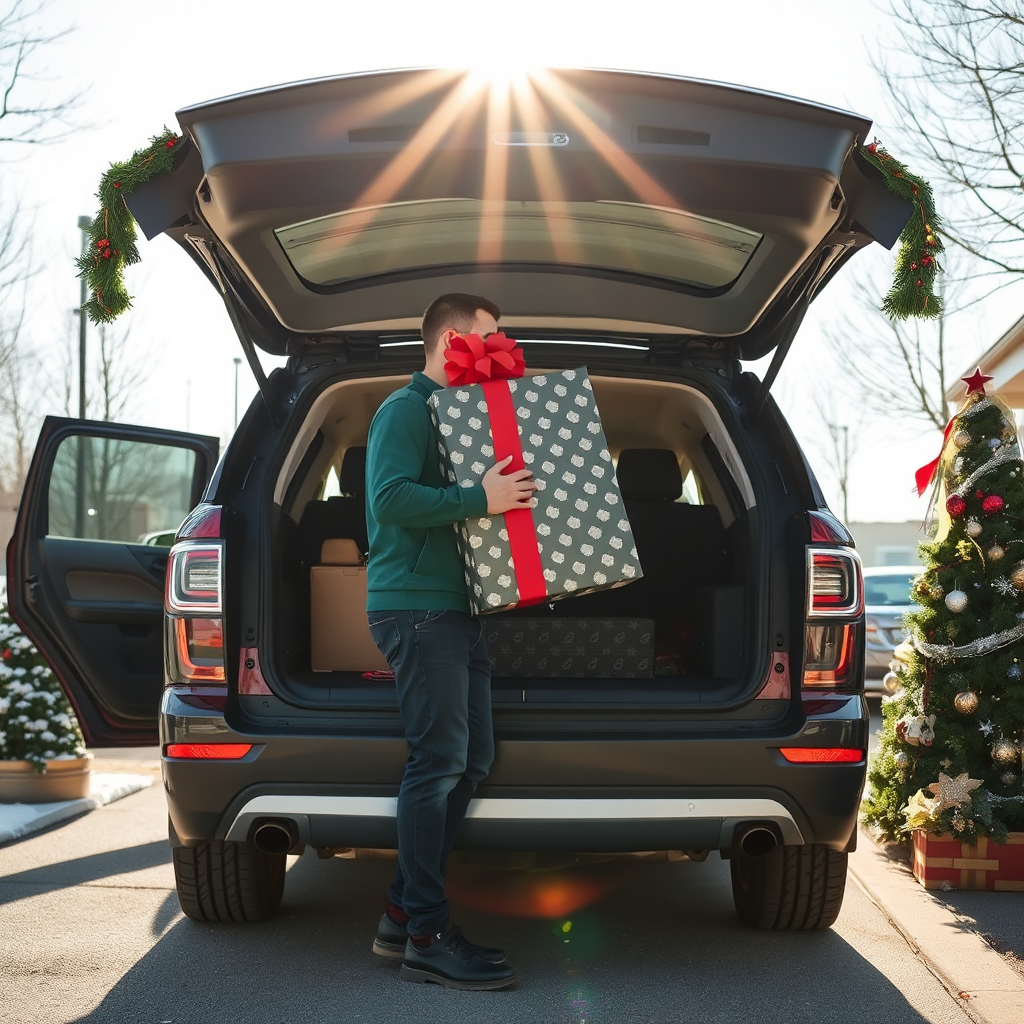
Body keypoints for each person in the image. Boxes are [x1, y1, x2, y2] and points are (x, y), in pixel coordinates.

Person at [364, 293, 535, 990]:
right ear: (455, 340)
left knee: (470, 760)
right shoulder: (405, 410)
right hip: (416, 609)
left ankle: (400, 917)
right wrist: (480, 499)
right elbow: (390, 498)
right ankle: (428, 936)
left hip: (453, 609)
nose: (502, 350)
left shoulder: (456, 417)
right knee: (437, 765)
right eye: (492, 337)